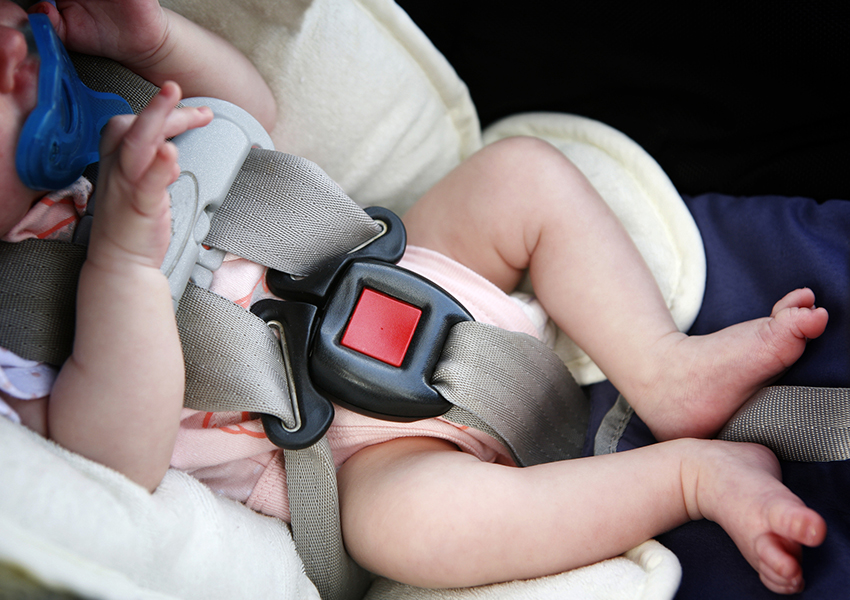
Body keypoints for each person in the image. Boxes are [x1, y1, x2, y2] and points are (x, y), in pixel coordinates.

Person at [0, 0, 830, 595]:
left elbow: (245, 119)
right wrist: (123, 261)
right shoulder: (14, 327)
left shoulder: (112, 117)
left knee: (519, 177)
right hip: (336, 456)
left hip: (388, 261)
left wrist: (155, 42)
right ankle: (687, 479)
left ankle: (662, 368)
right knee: (407, 534)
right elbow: (115, 449)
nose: (11, 56)